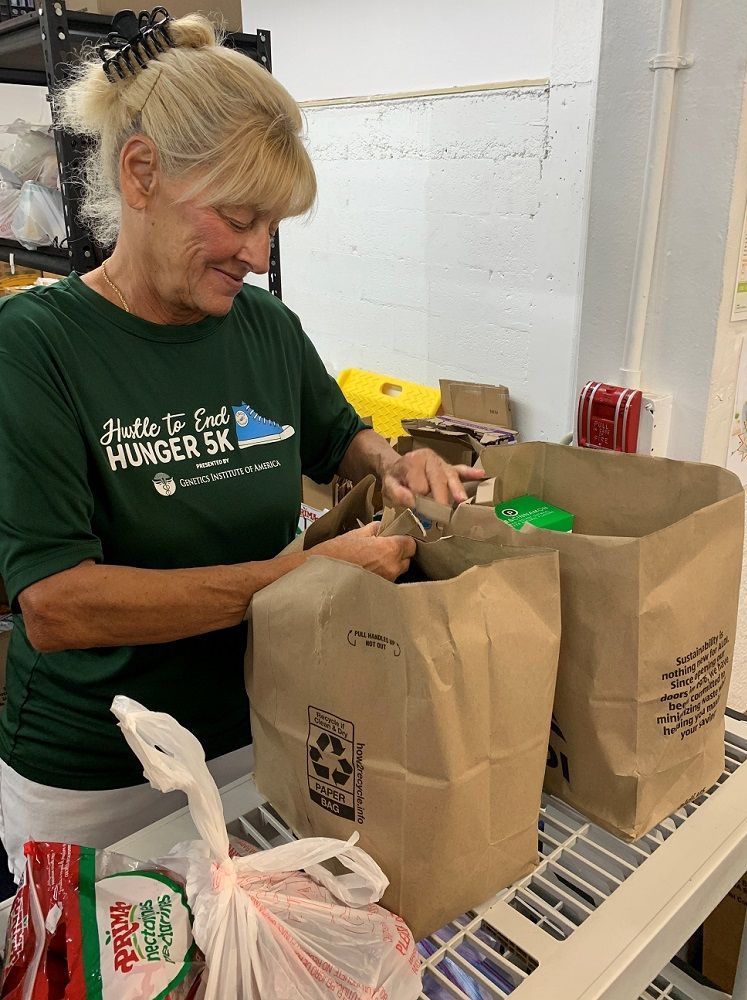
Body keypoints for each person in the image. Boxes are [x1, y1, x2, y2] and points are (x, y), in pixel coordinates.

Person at [0, 9, 485, 880]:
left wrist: (394, 461)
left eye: (274, 227)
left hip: (259, 730)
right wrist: (287, 579)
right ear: (141, 173)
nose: (260, 255)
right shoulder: (35, 346)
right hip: (99, 779)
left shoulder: (265, 327)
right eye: (239, 218)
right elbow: (58, 605)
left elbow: (341, 440)